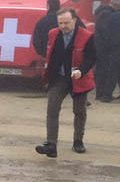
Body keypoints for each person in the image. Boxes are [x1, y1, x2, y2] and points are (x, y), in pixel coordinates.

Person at [36, 8, 97, 157]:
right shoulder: (53, 34)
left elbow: (91, 58)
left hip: (78, 78)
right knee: (52, 109)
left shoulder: (87, 36)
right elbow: (50, 53)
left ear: (75, 21)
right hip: (59, 78)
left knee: (79, 111)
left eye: (67, 23)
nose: (63, 26)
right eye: (60, 23)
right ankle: (51, 144)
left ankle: (78, 141)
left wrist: (81, 71)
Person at [93, 0, 115, 102]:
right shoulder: (106, 14)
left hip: (100, 46)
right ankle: (100, 94)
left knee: (102, 69)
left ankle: (100, 93)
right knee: (103, 70)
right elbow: (105, 31)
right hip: (103, 47)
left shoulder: (103, 12)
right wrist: (111, 42)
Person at [104, 0, 120, 101]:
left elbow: (107, 33)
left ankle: (107, 95)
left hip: (115, 47)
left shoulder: (112, 16)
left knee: (113, 71)